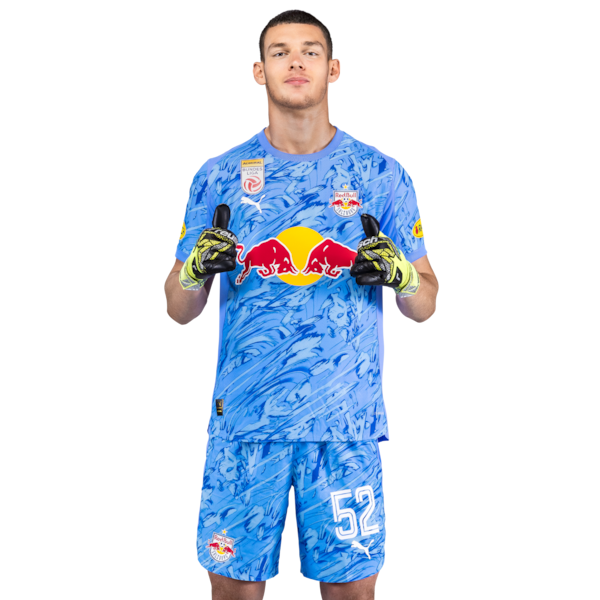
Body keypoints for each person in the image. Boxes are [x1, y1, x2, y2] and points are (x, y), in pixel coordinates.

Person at [163, 8, 440, 600]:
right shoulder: (217, 175)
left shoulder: (383, 174)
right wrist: (192, 270)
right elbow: (178, 310)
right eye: (280, 52)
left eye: (310, 51)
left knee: (352, 594)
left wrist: (401, 276)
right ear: (258, 72)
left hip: (346, 425)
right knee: (232, 591)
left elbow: (425, 304)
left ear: (333, 69)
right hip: (245, 421)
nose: (296, 62)